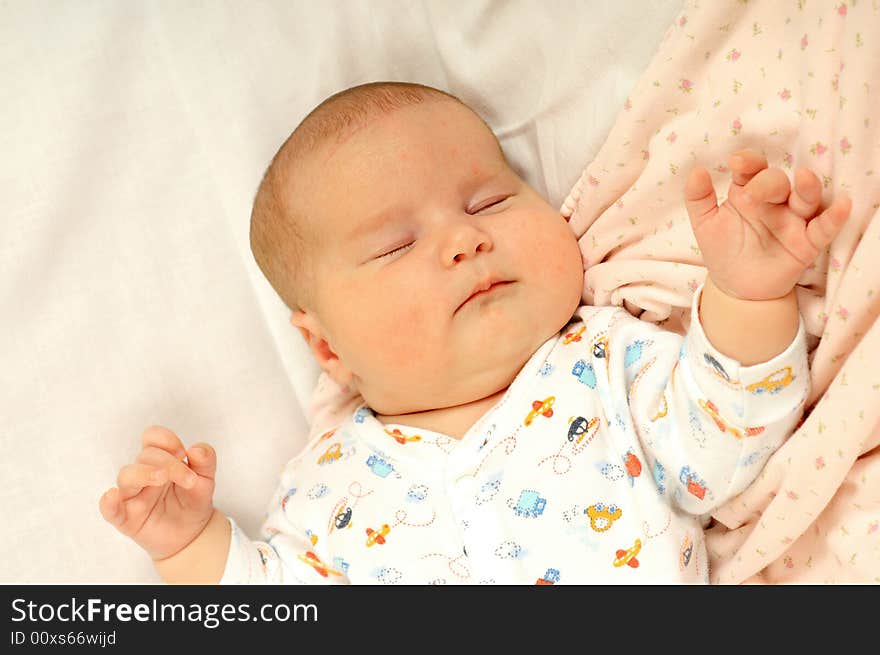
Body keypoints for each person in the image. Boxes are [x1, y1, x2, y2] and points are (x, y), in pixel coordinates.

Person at [99, 81, 852, 584]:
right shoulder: (328, 483)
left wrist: (749, 290)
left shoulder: (601, 362)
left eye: (490, 200)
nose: (464, 240)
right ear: (328, 349)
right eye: (397, 246)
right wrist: (190, 543)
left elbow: (722, 439)